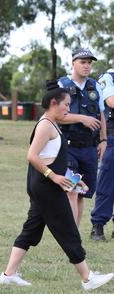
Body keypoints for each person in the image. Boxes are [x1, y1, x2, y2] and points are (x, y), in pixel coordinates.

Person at [0, 80, 113, 291]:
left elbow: (50, 157)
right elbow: (32, 156)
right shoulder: (45, 125)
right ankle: (88, 278)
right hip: (46, 187)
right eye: (66, 105)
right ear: (53, 103)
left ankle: (9, 274)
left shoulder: (53, 124)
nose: (68, 109)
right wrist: (54, 177)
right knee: (67, 230)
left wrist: (73, 180)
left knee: (31, 230)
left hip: (44, 185)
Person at [55, 48, 106, 229]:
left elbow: (101, 116)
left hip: (90, 148)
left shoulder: (96, 86)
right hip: (68, 148)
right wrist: (81, 118)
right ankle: (71, 236)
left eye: (89, 62)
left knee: (82, 192)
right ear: (73, 63)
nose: (87, 66)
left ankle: (73, 234)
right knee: (72, 190)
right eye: (82, 62)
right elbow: (55, 116)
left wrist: (103, 140)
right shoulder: (61, 85)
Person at [91, 69, 114, 240]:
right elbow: (111, 101)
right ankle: (98, 226)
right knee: (107, 181)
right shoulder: (109, 76)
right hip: (112, 136)